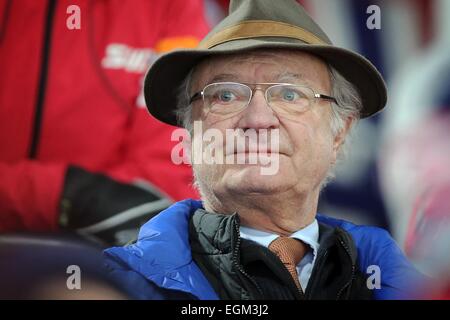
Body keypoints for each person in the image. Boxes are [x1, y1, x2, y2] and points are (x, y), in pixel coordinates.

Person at [104, 0, 422, 299]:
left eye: (290, 95)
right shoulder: (113, 286)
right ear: (189, 134)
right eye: (225, 96)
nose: (257, 120)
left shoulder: (411, 286)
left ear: (339, 133)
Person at [0, 0, 209, 245]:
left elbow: (165, 183)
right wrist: (64, 194)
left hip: (95, 252)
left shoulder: (170, 6)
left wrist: (73, 196)